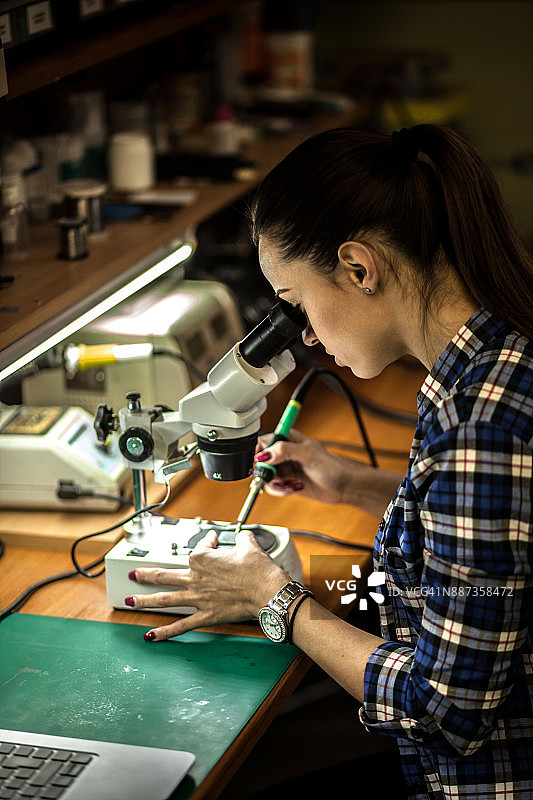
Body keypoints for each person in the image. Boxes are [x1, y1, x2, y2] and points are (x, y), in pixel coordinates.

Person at [124, 125, 533, 799]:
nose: (306, 335)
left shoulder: (479, 428)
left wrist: (274, 600)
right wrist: (351, 484)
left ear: (358, 267)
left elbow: (444, 712)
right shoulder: (492, 355)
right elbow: (489, 534)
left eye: (295, 305)